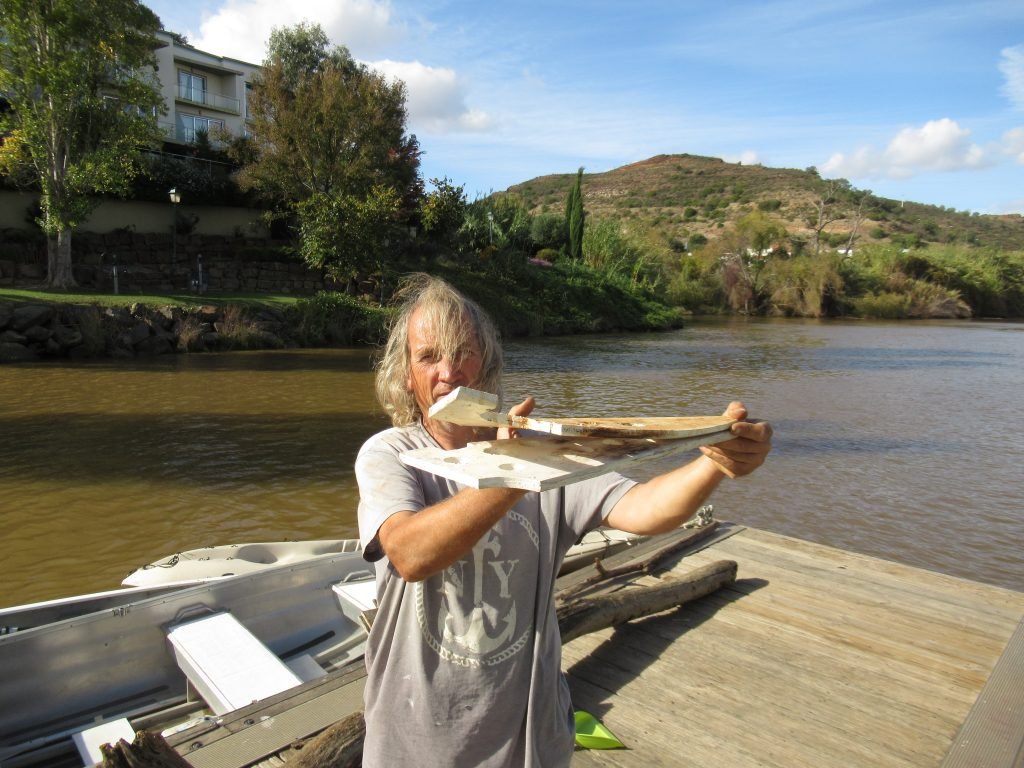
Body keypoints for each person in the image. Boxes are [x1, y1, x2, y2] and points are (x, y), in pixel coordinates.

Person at [355, 273, 772, 768]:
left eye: (463, 351)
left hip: (532, 737)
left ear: (485, 362)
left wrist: (715, 462)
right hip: (418, 739)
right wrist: (516, 473)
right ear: (406, 374)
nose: (449, 371)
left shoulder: (537, 449)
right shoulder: (391, 454)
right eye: (428, 356)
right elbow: (409, 553)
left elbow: (642, 509)